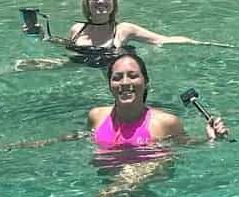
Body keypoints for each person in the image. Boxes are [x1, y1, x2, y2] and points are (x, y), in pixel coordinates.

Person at [22, 0, 208, 67]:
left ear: (114, 2)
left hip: (110, 76)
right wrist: (44, 38)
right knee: (23, 65)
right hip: (79, 68)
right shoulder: (77, 29)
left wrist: (196, 43)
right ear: (87, 2)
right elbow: (70, 48)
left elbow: (162, 40)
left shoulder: (123, 29)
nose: (101, 1)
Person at [89, 50, 227, 150]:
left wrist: (212, 139)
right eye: (117, 77)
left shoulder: (165, 123)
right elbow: (85, 137)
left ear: (146, 82)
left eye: (132, 76)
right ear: (109, 85)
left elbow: (186, 146)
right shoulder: (97, 116)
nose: (124, 82)